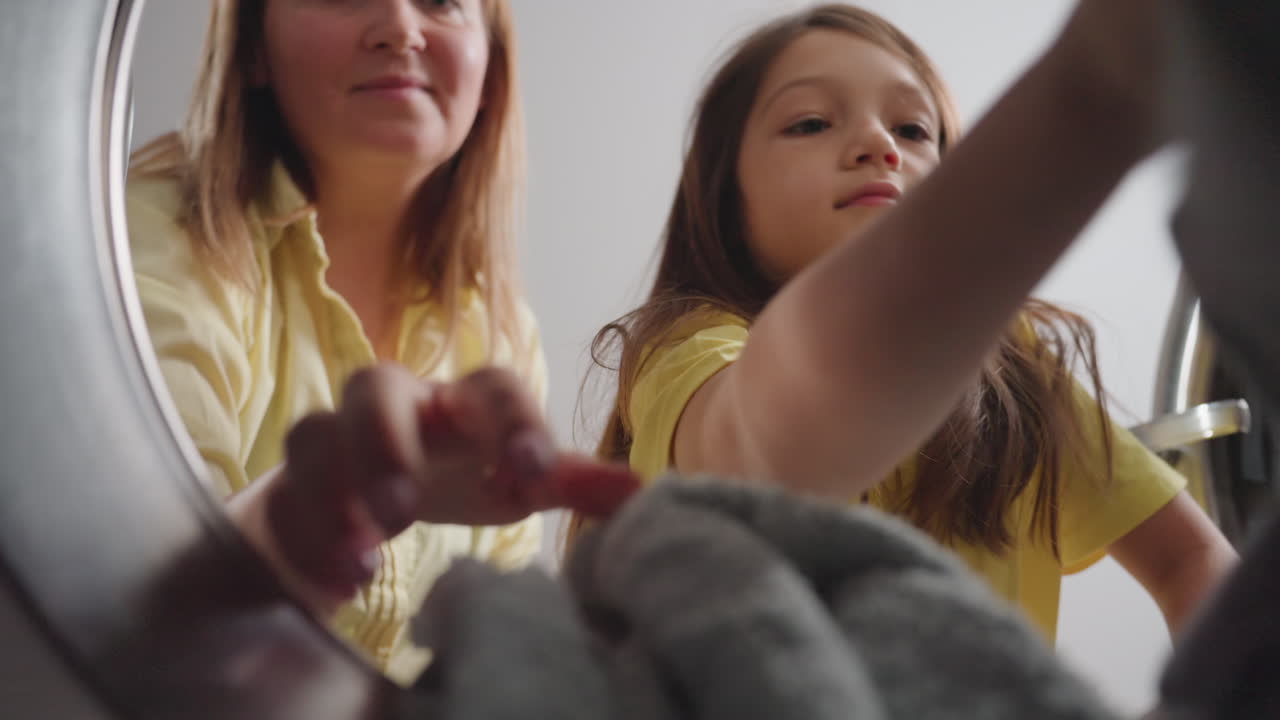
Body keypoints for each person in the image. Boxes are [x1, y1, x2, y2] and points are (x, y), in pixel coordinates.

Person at [572, 3, 1236, 643]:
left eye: (914, 130)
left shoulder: (1018, 364)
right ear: (723, 195)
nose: (877, 145)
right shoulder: (686, 354)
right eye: (809, 123)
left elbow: (1192, 561)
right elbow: (769, 457)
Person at [127, 0, 635, 685]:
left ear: (491, 74)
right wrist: (307, 516)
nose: (400, 26)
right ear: (252, 49)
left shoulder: (502, 328)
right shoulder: (153, 232)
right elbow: (128, 595)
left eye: (441, 1)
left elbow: (487, 660)